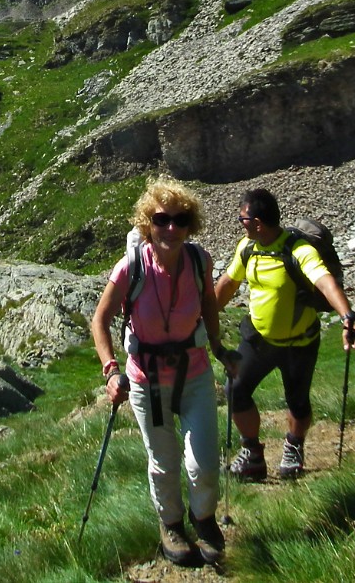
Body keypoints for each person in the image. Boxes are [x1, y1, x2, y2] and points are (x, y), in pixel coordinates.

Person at [91, 177, 235, 566]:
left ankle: (202, 517)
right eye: (161, 219)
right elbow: (100, 320)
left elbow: (208, 305)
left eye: (181, 219)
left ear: (192, 224)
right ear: (147, 224)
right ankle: (170, 523)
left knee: (202, 462)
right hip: (147, 379)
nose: (171, 228)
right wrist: (111, 371)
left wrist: (219, 347)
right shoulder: (130, 267)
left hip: (195, 372)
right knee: (162, 460)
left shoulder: (199, 261)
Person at [214, 187, 355, 482]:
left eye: (242, 218)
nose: (239, 223)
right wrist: (201, 318)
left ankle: (294, 446)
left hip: (300, 343)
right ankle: (253, 455)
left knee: (297, 401)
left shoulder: (298, 250)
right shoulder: (248, 247)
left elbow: (325, 282)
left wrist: (348, 318)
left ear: (257, 223)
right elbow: (229, 283)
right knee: (236, 390)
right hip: (259, 340)